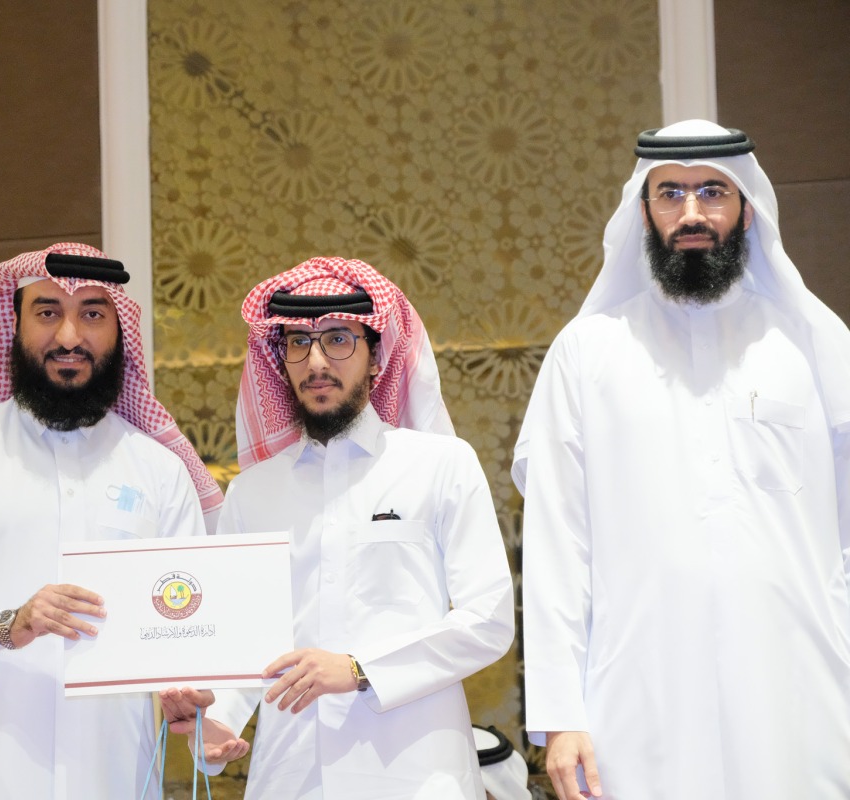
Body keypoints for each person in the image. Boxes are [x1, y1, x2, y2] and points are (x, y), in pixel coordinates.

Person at [514, 120, 850, 800]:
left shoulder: (812, 345)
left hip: (799, 686)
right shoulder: (587, 352)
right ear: (643, 210)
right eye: (670, 194)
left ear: (746, 209)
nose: (691, 212)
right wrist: (559, 717)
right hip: (636, 693)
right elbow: (557, 545)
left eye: (712, 192)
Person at [0, 243, 222, 799]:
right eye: (47, 313)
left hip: (112, 776)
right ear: (13, 326)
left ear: (118, 332)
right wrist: (11, 626)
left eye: (91, 313)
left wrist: (195, 704)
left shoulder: (159, 471)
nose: (68, 337)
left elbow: (186, 630)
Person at [163, 257, 515, 799]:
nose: (317, 360)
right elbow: (240, 639)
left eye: (338, 339)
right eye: (299, 342)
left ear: (376, 355)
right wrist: (218, 722)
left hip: (418, 775)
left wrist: (358, 668)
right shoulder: (252, 493)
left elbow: (488, 621)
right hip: (291, 776)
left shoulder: (441, 464)